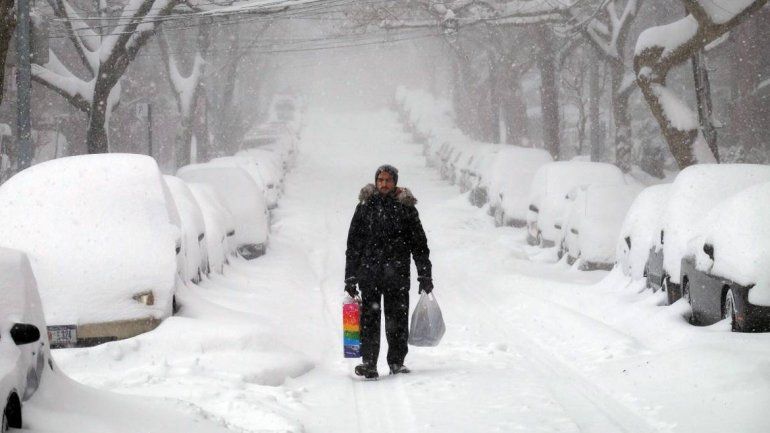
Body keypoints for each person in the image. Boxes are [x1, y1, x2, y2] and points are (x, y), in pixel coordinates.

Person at [344, 164, 433, 379]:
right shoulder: (365, 206)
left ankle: (396, 362)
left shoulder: (406, 208)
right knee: (369, 320)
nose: (384, 184)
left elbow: (419, 244)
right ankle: (369, 363)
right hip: (370, 274)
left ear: (395, 183)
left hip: (397, 275)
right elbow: (354, 244)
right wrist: (350, 276)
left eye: (388, 180)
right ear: (376, 182)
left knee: (397, 320)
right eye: (380, 180)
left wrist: (424, 274)